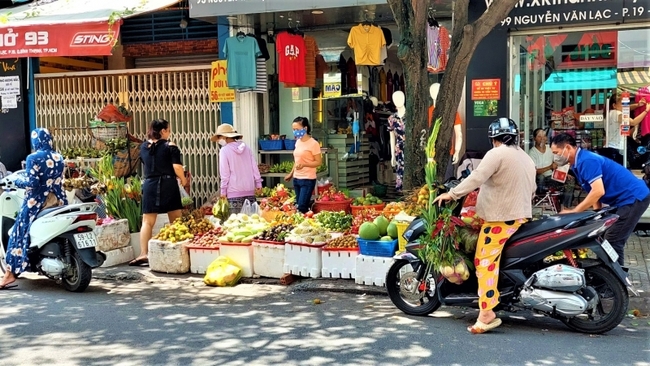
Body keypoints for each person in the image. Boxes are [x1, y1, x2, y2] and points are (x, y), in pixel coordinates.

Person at [433, 118, 536, 334]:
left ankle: (487, 313)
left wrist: (452, 194)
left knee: (484, 262)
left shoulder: (497, 154)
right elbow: (532, 189)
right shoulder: (524, 157)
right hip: (519, 216)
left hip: (501, 219)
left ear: (494, 139)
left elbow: (477, 178)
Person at [550, 133, 650, 266]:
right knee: (602, 236)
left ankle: (617, 282)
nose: (555, 157)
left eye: (556, 152)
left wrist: (574, 211)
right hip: (622, 200)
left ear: (567, 148)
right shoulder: (577, 163)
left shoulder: (587, 161)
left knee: (613, 239)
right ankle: (606, 274)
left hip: (633, 197)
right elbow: (593, 190)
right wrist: (598, 213)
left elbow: (598, 191)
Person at [1, 128, 67, 289]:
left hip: (37, 201)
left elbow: (33, 183)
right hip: (59, 200)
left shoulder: (33, 157)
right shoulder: (59, 157)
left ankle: (9, 274)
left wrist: (16, 182)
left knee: (18, 233)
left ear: (36, 141)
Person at [129, 119, 186, 267]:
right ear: (163, 131)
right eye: (168, 130)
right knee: (176, 219)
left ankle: (143, 253)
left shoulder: (143, 147)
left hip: (149, 184)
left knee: (147, 221)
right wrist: (183, 180)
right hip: (168, 183)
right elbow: (177, 168)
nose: (170, 133)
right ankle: (178, 249)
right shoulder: (170, 146)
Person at [210, 124, 263, 214]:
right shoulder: (246, 148)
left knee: (235, 224)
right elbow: (254, 167)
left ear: (224, 137)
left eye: (219, 137)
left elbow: (225, 174)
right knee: (251, 224)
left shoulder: (224, 150)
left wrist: (223, 191)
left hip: (233, 193)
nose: (218, 140)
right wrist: (258, 184)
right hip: (250, 191)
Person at [528, 128, 573, 209]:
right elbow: (536, 171)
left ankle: (565, 206)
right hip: (540, 180)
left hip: (552, 177)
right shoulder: (532, 152)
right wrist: (550, 167)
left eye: (544, 136)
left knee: (570, 180)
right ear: (534, 138)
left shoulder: (550, 149)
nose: (542, 139)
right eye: (539, 136)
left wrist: (564, 173)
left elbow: (557, 164)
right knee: (541, 178)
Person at [284, 116, 322, 214]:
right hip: (297, 179)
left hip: (308, 179)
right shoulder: (298, 142)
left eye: (297, 129)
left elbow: (318, 162)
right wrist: (291, 174)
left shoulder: (313, 143)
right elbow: (297, 161)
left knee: (302, 206)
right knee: (299, 206)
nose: (295, 132)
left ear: (305, 128)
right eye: (293, 129)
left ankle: (305, 224)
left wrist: (305, 164)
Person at [603, 94, 648, 164]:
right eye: (622, 104)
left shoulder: (609, 113)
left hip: (610, 146)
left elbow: (626, 108)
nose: (625, 106)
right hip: (616, 147)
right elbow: (633, 122)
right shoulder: (618, 114)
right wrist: (646, 111)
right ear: (614, 105)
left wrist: (637, 105)